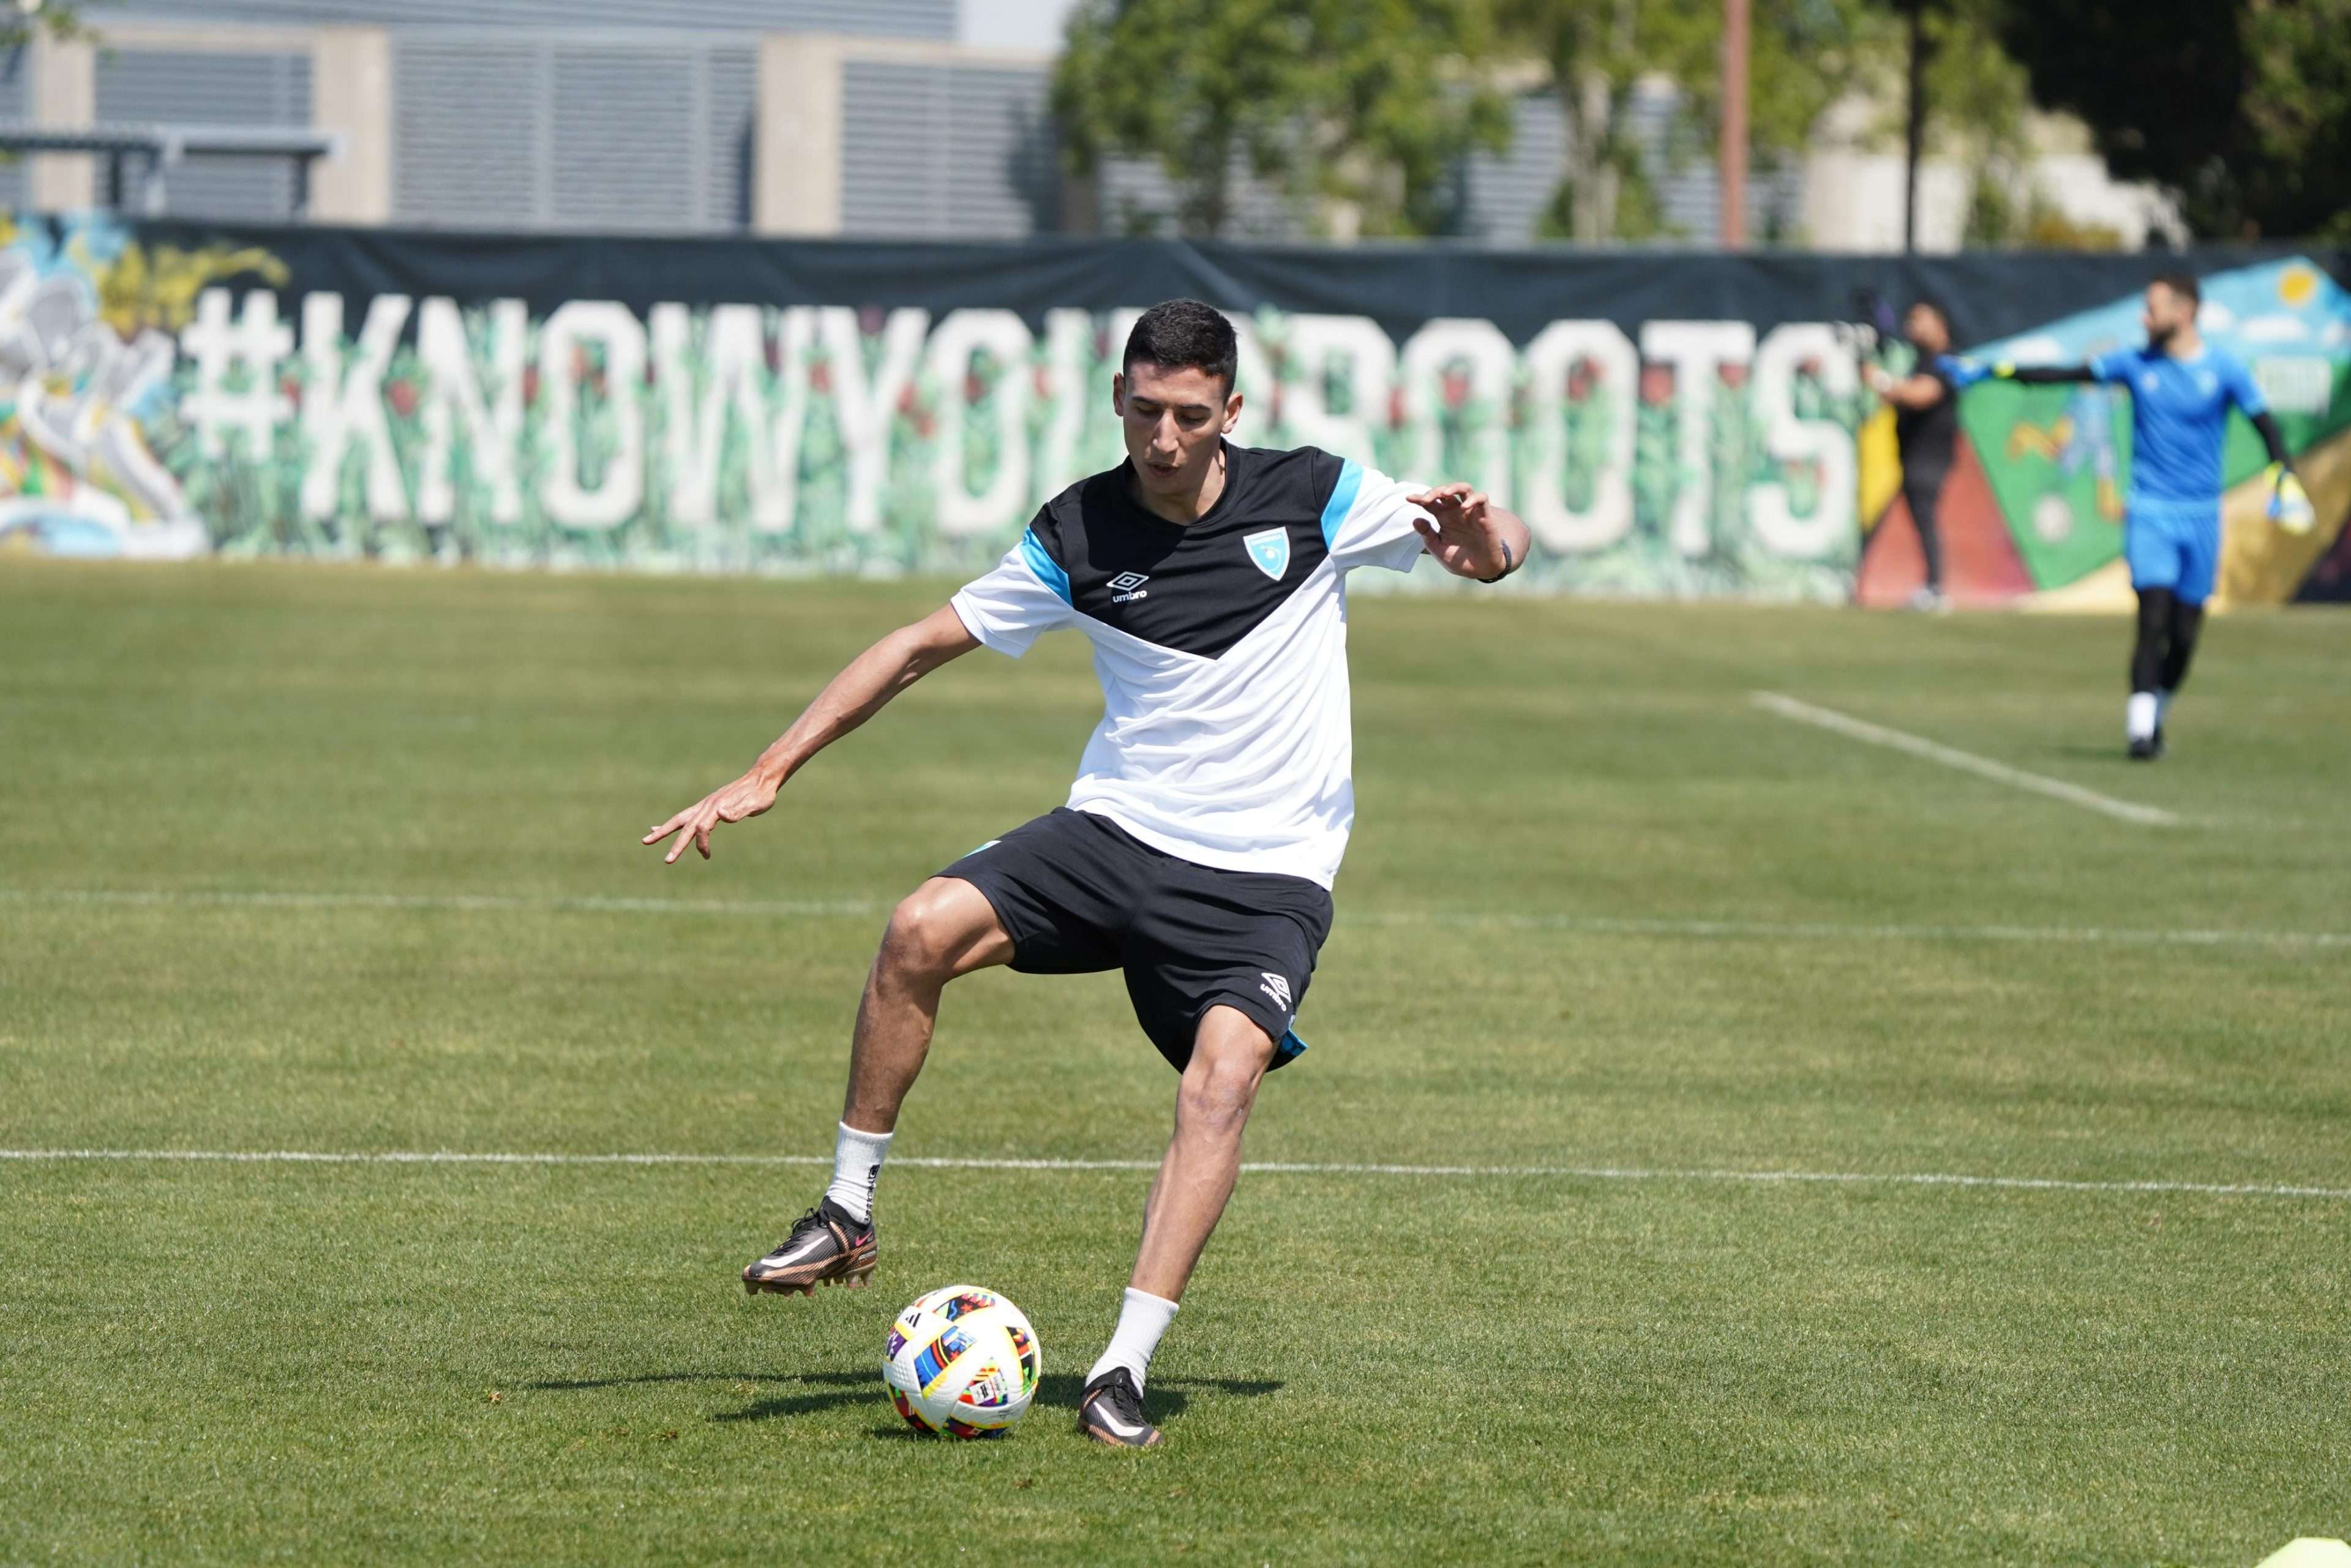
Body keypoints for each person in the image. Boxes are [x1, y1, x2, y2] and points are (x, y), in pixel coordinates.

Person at [642, 299, 1531, 1448]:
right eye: (1147, 411)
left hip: (1265, 876)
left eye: (1191, 416)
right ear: (1118, 398)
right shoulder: (1076, 532)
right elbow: (917, 646)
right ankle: (846, 1209)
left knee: (1219, 1083)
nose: (1165, 439)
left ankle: (1121, 1368)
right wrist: (768, 771)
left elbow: (1487, 545)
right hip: (1114, 836)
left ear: (1233, 414)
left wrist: (1483, 540)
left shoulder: (1319, 494)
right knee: (919, 928)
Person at [1947, 273, 2311, 759]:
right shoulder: (2134, 365)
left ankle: (2156, 713)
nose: (2144, 317)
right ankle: (2139, 733)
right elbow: (2063, 376)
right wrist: (1993, 371)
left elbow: (2268, 429)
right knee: (2152, 617)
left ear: (2184, 313)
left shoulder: (2225, 370)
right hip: (2149, 510)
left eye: (2153, 308)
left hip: (2201, 516)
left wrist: (2283, 478)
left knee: (2184, 635)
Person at [1864, 299, 1960, 610]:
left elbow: (1922, 394)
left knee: (1925, 520)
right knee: (1919, 521)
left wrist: (1882, 380)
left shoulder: (1943, 361)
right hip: (1912, 455)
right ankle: (1931, 585)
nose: (1912, 327)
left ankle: (1935, 588)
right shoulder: (1921, 360)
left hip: (1929, 458)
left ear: (1939, 322)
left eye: (1919, 319)